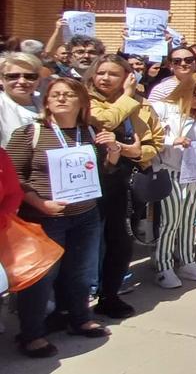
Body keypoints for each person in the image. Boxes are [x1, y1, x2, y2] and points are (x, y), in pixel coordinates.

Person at [9, 77, 120, 358]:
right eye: (54, 94)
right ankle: (31, 334)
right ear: (46, 101)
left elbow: (102, 173)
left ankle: (79, 318)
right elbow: (13, 176)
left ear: (81, 101)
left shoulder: (91, 132)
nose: (60, 99)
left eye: (68, 94)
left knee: (81, 273)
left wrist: (114, 155)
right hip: (43, 218)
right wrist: (40, 202)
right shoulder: (30, 133)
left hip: (85, 215)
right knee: (42, 278)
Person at [85, 54, 164, 319]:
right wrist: (128, 96)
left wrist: (135, 152)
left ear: (127, 77)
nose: (105, 78)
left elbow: (155, 142)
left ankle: (110, 295)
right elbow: (105, 121)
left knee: (120, 241)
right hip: (91, 181)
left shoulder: (142, 106)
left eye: (113, 74)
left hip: (125, 181)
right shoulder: (87, 101)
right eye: (101, 73)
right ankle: (76, 300)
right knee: (89, 243)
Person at [149, 73, 196, 288]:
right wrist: (173, 141)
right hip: (168, 170)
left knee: (190, 219)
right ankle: (164, 265)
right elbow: (151, 138)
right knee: (170, 220)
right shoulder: (162, 109)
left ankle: (187, 259)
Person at [0, 52, 44, 146]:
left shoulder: (46, 104)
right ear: (1, 79)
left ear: (39, 79)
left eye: (30, 77)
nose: (22, 81)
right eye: (13, 76)